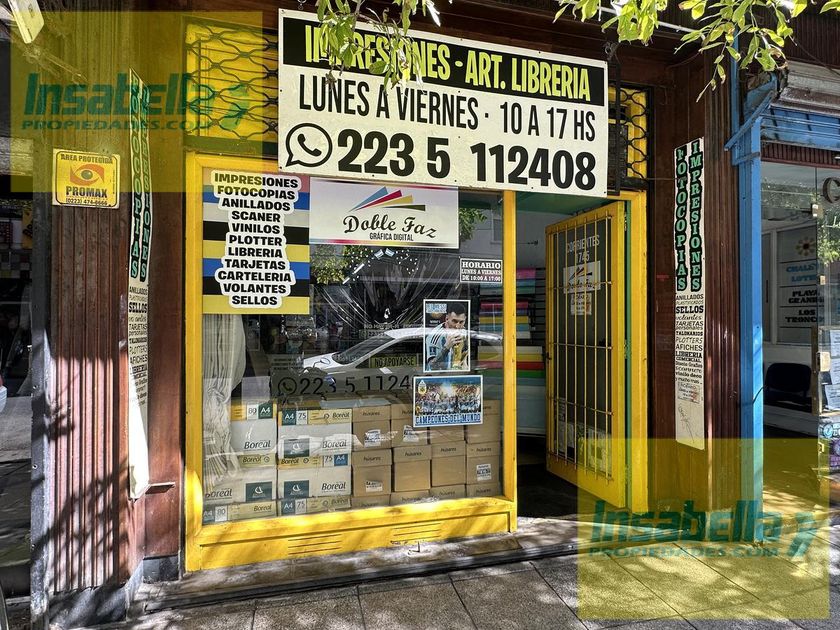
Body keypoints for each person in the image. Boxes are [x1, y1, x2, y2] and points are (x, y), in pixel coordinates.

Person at [425, 302, 468, 371]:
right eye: (454, 321)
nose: (457, 326)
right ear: (447, 318)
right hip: (438, 376)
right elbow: (431, 367)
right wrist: (446, 347)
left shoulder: (463, 331)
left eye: (461, 322)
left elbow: (464, 354)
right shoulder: (434, 337)